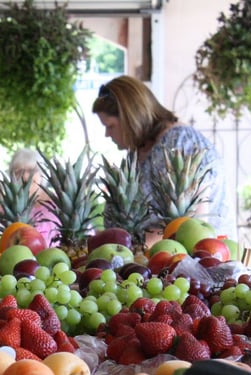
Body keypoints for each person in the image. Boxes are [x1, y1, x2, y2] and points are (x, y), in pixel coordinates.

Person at [91, 75, 235, 247]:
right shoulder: (139, 150)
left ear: (130, 117)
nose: (107, 134)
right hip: (145, 263)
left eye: (110, 126)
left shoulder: (181, 144)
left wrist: (130, 247)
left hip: (191, 264)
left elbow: (190, 224)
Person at [8, 148, 60, 246]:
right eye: (18, 171)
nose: (25, 176)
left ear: (42, 173)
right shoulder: (10, 207)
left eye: (31, 170)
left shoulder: (59, 202)